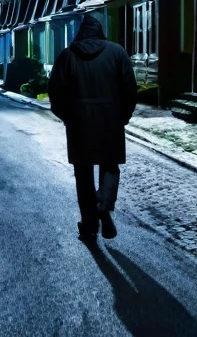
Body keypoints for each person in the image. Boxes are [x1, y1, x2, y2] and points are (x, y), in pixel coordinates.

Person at [47, 14, 138, 242]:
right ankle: (104, 205)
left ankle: (89, 224)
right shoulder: (117, 52)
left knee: (83, 174)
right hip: (111, 120)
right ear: (100, 32)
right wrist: (122, 116)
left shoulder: (68, 56)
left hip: (79, 123)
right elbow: (130, 88)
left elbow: (55, 92)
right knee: (110, 166)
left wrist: (68, 116)